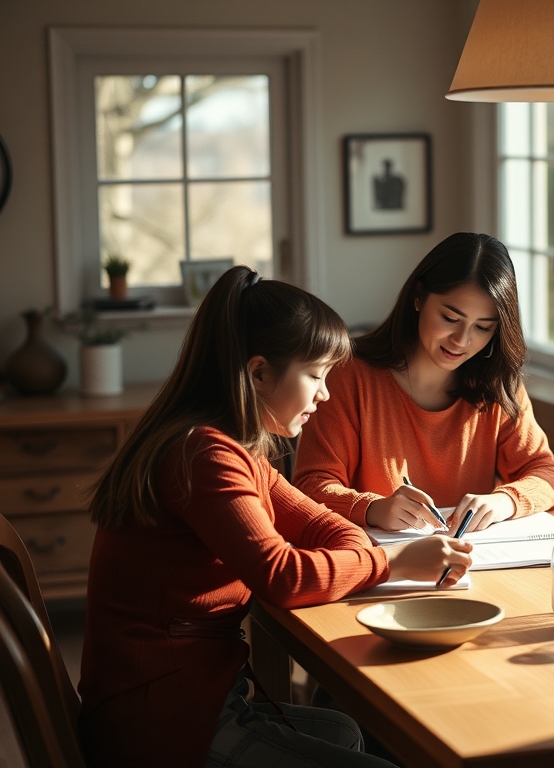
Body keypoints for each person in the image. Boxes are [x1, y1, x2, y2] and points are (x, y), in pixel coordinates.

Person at [78, 267, 473, 768]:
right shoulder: (205, 455)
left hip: (185, 695)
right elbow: (282, 575)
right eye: (316, 376)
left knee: (343, 730)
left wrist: (369, 552)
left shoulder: (232, 448)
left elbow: (325, 524)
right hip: (164, 719)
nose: (325, 395)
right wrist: (392, 563)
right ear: (259, 372)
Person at [293, 232, 554, 534]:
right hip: (377, 564)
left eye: (482, 327)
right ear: (419, 297)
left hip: (469, 565)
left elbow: (547, 473)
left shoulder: (497, 384)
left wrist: (505, 502)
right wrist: (373, 508)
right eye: (450, 318)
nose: (462, 340)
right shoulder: (349, 375)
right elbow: (310, 486)